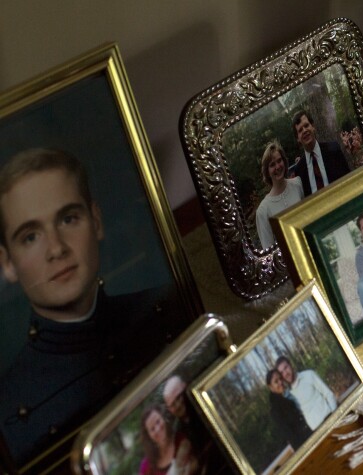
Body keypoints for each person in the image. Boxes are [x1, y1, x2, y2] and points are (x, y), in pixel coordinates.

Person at [0, 148, 184, 466]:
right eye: (30, 237)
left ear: (96, 222)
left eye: (69, 218)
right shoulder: (7, 403)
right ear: (7, 264)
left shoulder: (171, 304)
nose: (56, 248)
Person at [255, 140, 304, 249]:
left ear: (284, 161)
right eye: (272, 165)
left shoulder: (298, 184)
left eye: (279, 161)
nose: (277, 167)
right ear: (267, 171)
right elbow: (270, 252)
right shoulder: (263, 211)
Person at [290, 110, 351, 197]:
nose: (304, 130)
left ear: (313, 126)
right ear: (298, 139)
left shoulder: (334, 150)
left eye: (306, 125)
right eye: (300, 130)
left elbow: (348, 179)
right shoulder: (299, 170)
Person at [163, 375, 215, 472]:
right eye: (173, 404)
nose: (178, 405)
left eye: (178, 397)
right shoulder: (178, 432)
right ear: (169, 409)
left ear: (185, 388)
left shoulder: (203, 409)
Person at [275, 356, 337, 431]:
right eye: (282, 373)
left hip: (330, 418)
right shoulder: (289, 396)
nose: (285, 373)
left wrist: (335, 417)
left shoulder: (309, 375)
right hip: (317, 431)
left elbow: (329, 394)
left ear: (291, 365)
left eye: (286, 368)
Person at [138, 405, 195, 475]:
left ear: (163, 418)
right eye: (152, 429)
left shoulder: (181, 440)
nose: (157, 429)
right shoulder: (146, 466)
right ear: (148, 436)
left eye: (158, 421)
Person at [266, 368, 312, 451]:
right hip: (303, 444)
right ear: (270, 387)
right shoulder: (275, 410)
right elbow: (289, 434)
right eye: (276, 381)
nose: (280, 382)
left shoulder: (288, 396)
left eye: (280, 378)